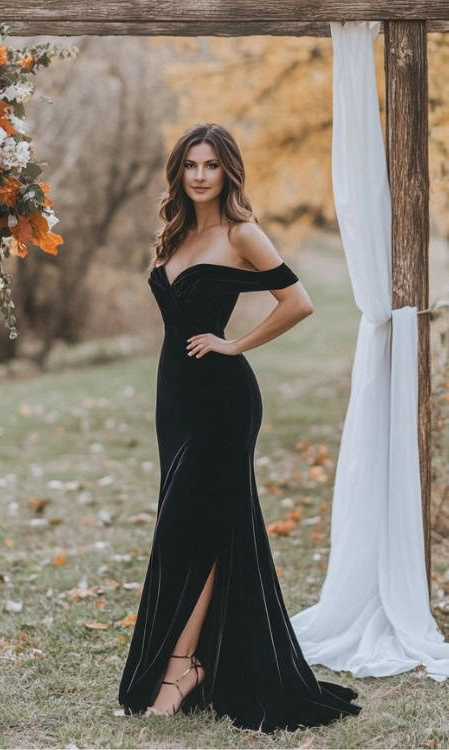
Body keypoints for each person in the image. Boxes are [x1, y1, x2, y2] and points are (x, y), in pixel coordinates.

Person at [118, 122, 362, 733]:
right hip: (174, 400)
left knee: (196, 527)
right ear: (179, 173)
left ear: (228, 172)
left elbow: (297, 301)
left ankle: (181, 667)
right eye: (191, 165)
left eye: (211, 165)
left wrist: (235, 345)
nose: (200, 175)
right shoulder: (175, 234)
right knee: (197, 526)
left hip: (223, 401)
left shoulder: (241, 233)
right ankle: (193, 660)